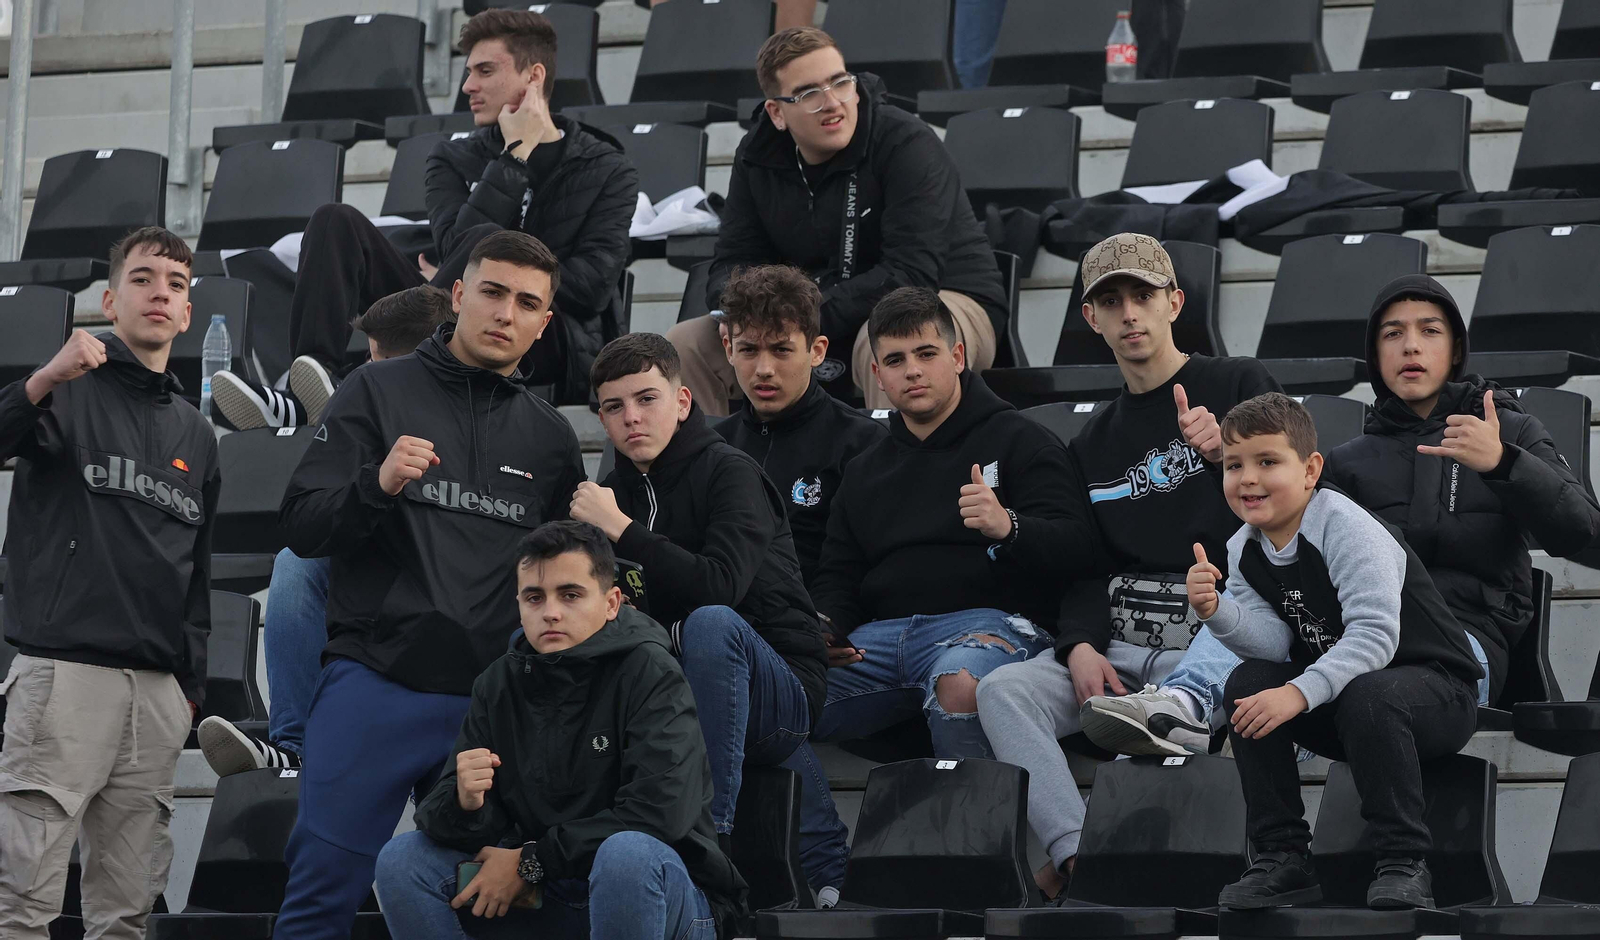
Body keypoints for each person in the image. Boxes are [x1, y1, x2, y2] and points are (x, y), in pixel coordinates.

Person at [271, 232, 588, 940]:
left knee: (482, 903)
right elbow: (301, 527)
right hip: (375, 684)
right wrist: (376, 483)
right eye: (493, 292)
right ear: (458, 295)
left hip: (490, 710)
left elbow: (571, 585)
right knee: (321, 894)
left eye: (527, 302)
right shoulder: (374, 389)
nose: (506, 312)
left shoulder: (550, 437)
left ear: (544, 323)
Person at [973, 233, 1279, 898]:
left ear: (1174, 301)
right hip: (1120, 639)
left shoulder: (1238, 384)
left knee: (1164, 708)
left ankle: (1124, 842)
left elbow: (1303, 508)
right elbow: (1088, 560)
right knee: (1003, 692)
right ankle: (1081, 854)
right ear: (1092, 318)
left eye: (1143, 296)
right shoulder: (1093, 442)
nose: (1130, 313)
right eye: (1112, 301)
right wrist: (1078, 644)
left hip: (1211, 634)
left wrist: (1232, 452)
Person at [211, 7, 636, 428]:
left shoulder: (607, 168)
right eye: (468, 72)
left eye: (485, 71)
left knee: (487, 243)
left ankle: (378, 378)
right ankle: (313, 387)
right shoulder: (452, 157)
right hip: (447, 311)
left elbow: (591, 287)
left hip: (542, 332)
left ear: (534, 77)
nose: (469, 86)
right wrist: (512, 162)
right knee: (333, 221)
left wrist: (513, 164)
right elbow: (457, 251)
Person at [373, 521, 747, 940]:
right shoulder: (498, 683)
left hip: (664, 900)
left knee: (626, 856)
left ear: (611, 603)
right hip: (546, 891)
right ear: (519, 605)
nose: (550, 611)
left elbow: (658, 815)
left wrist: (530, 861)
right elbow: (441, 820)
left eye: (570, 595)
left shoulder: (651, 671)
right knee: (403, 860)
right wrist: (465, 802)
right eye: (535, 597)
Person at [0, 227, 219, 939]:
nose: (161, 293)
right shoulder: (65, 390)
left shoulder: (196, 431)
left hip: (155, 691)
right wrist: (42, 379)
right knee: (24, 903)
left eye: (176, 285)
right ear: (109, 300)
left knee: (125, 914)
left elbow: (197, 569)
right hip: (65, 676)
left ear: (188, 313)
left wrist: (188, 689)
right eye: (144, 278)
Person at [574, 333, 846, 898]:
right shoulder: (608, 495)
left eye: (647, 399)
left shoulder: (729, 471)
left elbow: (718, 586)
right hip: (676, 689)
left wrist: (623, 531)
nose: (632, 418)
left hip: (781, 690)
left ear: (682, 401)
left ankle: (709, 845)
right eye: (614, 407)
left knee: (711, 625)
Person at [1191, 393, 1482, 910]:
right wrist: (1218, 612)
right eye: (1233, 465)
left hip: (1438, 694)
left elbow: (1374, 637)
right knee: (1246, 685)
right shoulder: (1243, 548)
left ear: (1310, 470)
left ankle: (1404, 861)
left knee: (1371, 692)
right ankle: (1283, 857)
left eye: (1267, 462)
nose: (1247, 478)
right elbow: (1273, 642)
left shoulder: (1345, 526)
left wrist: (1298, 694)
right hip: (1350, 704)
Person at [669, 26, 1007, 415]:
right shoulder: (757, 155)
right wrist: (739, 312)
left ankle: (901, 470)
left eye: (840, 83)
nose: (832, 103)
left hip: (945, 296)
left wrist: (800, 319)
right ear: (777, 112)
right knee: (689, 342)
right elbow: (733, 259)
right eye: (809, 93)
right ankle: (719, 472)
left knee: (888, 336)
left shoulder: (906, 141)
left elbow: (912, 272)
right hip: (811, 309)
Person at [807, 286, 1076, 762]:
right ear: (878, 375)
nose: (911, 370)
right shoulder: (865, 469)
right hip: (881, 640)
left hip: (995, 627)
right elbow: (839, 575)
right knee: (772, 694)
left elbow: (1080, 548)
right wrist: (826, 627)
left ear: (957, 356)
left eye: (926, 353)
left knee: (959, 681)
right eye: (895, 360)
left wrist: (1009, 527)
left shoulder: (1023, 441)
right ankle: (821, 839)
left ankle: (973, 837)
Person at [197, 285, 456, 775]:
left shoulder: (480, 414)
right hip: (374, 573)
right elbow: (309, 518)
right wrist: (374, 485)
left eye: (375, 358)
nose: (366, 370)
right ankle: (293, 744)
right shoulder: (368, 411)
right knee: (296, 561)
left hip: (451, 604)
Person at [1322, 274, 1600, 709]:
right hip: (1370, 639)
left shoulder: (1509, 429)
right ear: (1376, 356)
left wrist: (1503, 463)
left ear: (1454, 351)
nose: (1411, 346)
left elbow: (1586, 534)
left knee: (1373, 695)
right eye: (1393, 334)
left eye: (1430, 331)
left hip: (1467, 644)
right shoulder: (1346, 461)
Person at [711, 264, 888, 585]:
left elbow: (868, 566)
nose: (764, 369)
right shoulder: (711, 447)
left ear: (817, 351)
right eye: (749, 349)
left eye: (781, 349)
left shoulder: (862, 443)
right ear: (729, 350)